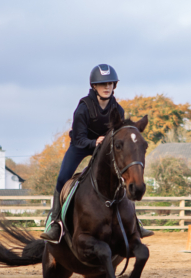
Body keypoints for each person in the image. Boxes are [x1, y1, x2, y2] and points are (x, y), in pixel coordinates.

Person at [40, 64, 154, 243]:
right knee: (62, 179)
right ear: (94, 86)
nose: (107, 87)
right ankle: (55, 223)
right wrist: (94, 142)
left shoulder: (118, 109)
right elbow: (78, 139)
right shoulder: (84, 108)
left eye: (110, 83)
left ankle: (134, 221)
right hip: (81, 146)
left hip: (105, 149)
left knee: (123, 177)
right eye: (103, 84)